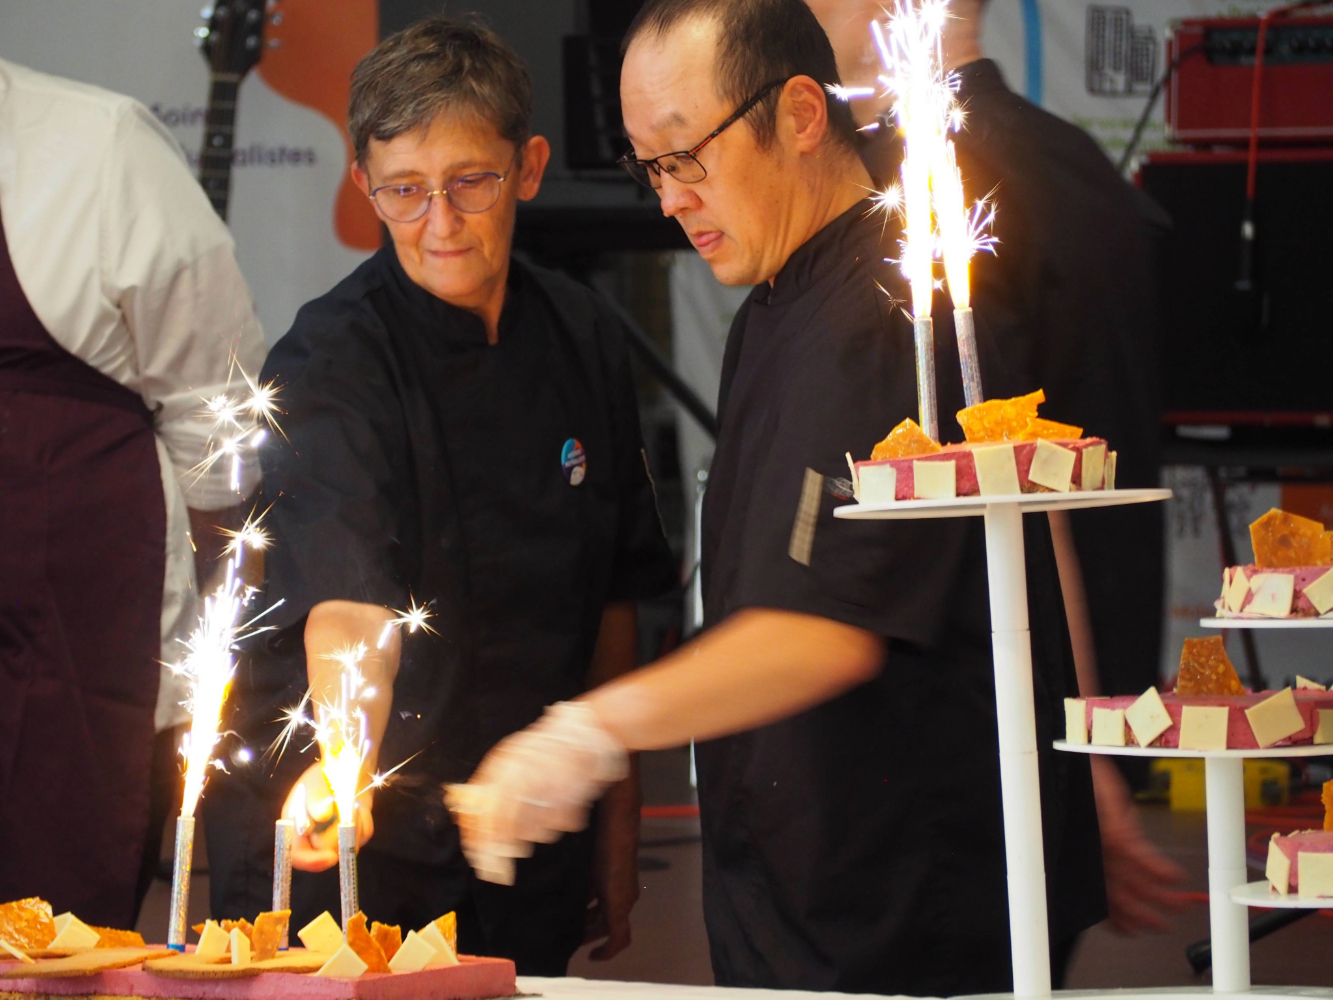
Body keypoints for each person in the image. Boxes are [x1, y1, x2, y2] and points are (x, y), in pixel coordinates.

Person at [451, 1, 1104, 994]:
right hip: (802, 881)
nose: (668, 201)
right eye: (648, 167)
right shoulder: (779, 294)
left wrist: (587, 729)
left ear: (801, 112)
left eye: (686, 156)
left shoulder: (879, 312)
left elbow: (826, 624)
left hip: (905, 909)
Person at [200, 17, 677, 975]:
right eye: (405, 192)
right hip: (353, 838)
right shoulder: (333, 356)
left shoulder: (581, 331)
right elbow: (348, 609)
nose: (441, 223)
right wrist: (344, 764)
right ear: (363, 183)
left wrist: (615, 823)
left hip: (523, 827)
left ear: (529, 167)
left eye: (471, 182)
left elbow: (615, 591)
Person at [806, 0, 1185, 936]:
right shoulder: (1083, 169)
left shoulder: (907, 186)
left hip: (961, 740)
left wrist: (1081, 763)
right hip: (1068, 714)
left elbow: (1017, 485)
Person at [0, 57, 264, 928]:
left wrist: (224, 637)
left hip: (67, 653)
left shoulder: (95, 147)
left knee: (53, 935)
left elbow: (218, 410)